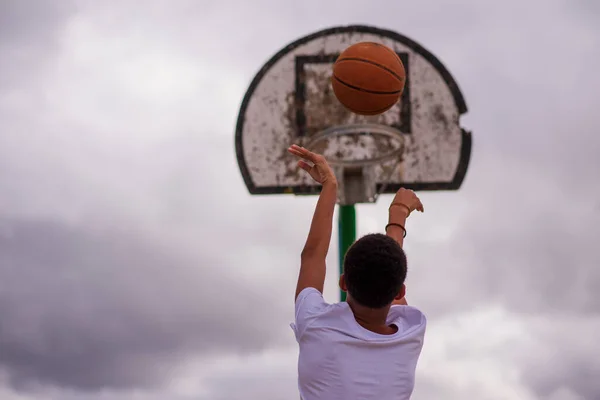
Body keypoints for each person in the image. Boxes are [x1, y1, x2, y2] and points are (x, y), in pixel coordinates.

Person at [288, 144, 427, 400]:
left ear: (344, 282)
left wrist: (330, 185)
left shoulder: (316, 325)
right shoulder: (410, 333)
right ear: (400, 290)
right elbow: (387, 272)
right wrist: (398, 216)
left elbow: (312, 256)